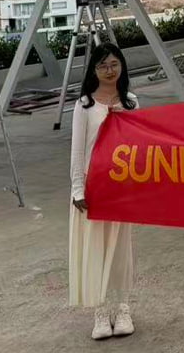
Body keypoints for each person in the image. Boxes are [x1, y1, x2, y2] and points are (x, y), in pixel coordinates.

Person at [68, 42, 140, 341]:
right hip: (93, 187)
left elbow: (140, 147)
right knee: (95, 248)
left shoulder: (131, 102)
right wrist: (78, 189)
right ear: (93, 70)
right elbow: (77, 150)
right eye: (102, 66)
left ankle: (123, 308)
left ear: (121, 66)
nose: (109, 71)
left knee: (121, 251)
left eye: (114, 64)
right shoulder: (85, 105)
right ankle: (100, 311)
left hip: (121, 187)